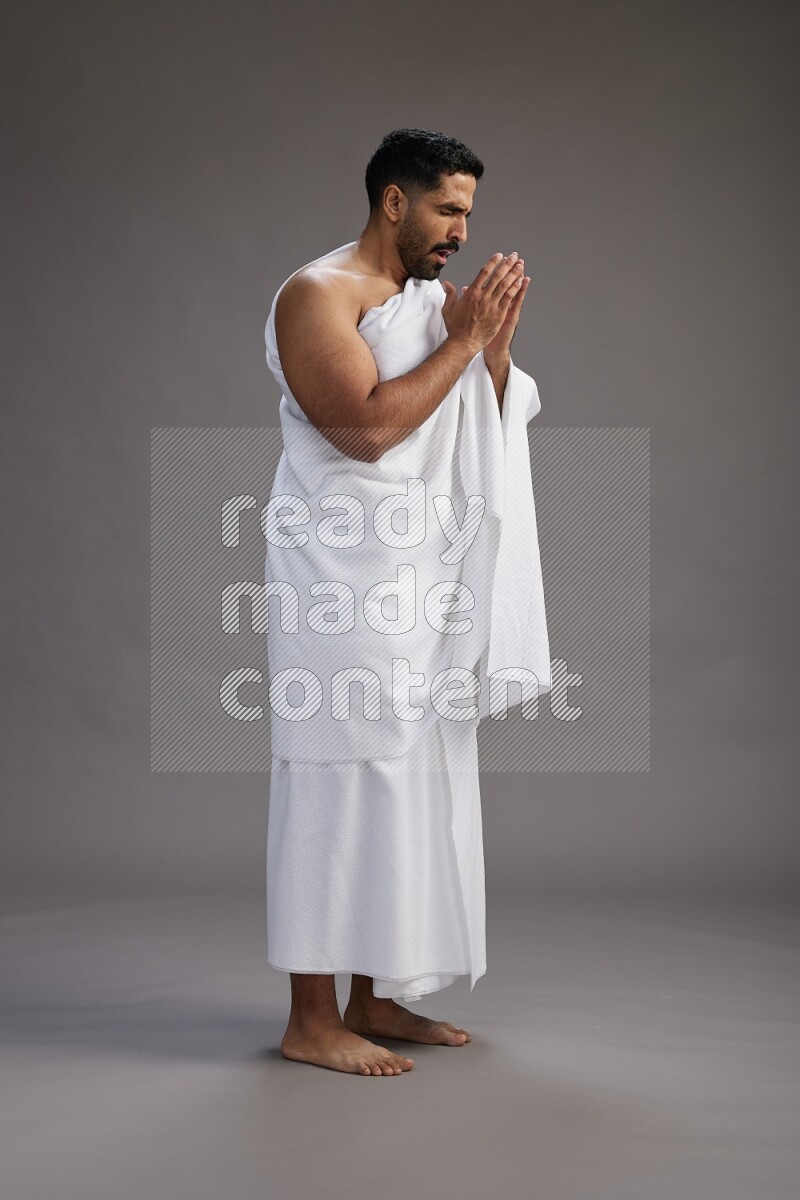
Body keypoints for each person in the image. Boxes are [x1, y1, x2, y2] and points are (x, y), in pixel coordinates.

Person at [263, 128, 548, 1076]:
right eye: (448, 209)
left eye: (468, 211)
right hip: (340, 589)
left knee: (419, 779)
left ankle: (376, 997)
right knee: (338, 777)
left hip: (428, 578)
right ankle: (311, 1017)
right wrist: (464, 339)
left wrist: (491, 352)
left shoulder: (429, 303)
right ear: (394, 201)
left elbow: (481, 418)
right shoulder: (318, 295)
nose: (462, 230)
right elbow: (364, 430)